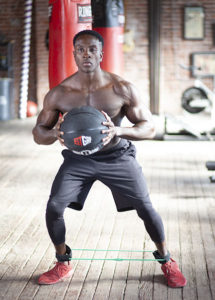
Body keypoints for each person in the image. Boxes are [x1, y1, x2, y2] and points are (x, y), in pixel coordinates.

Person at [32, 30, 187, 288]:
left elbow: (149, 127)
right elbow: (38, 133)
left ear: (101, 53)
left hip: (117, 156)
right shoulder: (60, 93)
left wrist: (119, 130)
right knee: (54, 207)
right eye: (80, 50)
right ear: (74, 54)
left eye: (92, 49)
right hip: (77, 159)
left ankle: (167, 259)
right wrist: (54, 133)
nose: (86, 55)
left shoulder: (121, 88)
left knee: (146, 208)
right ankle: (62, 261)